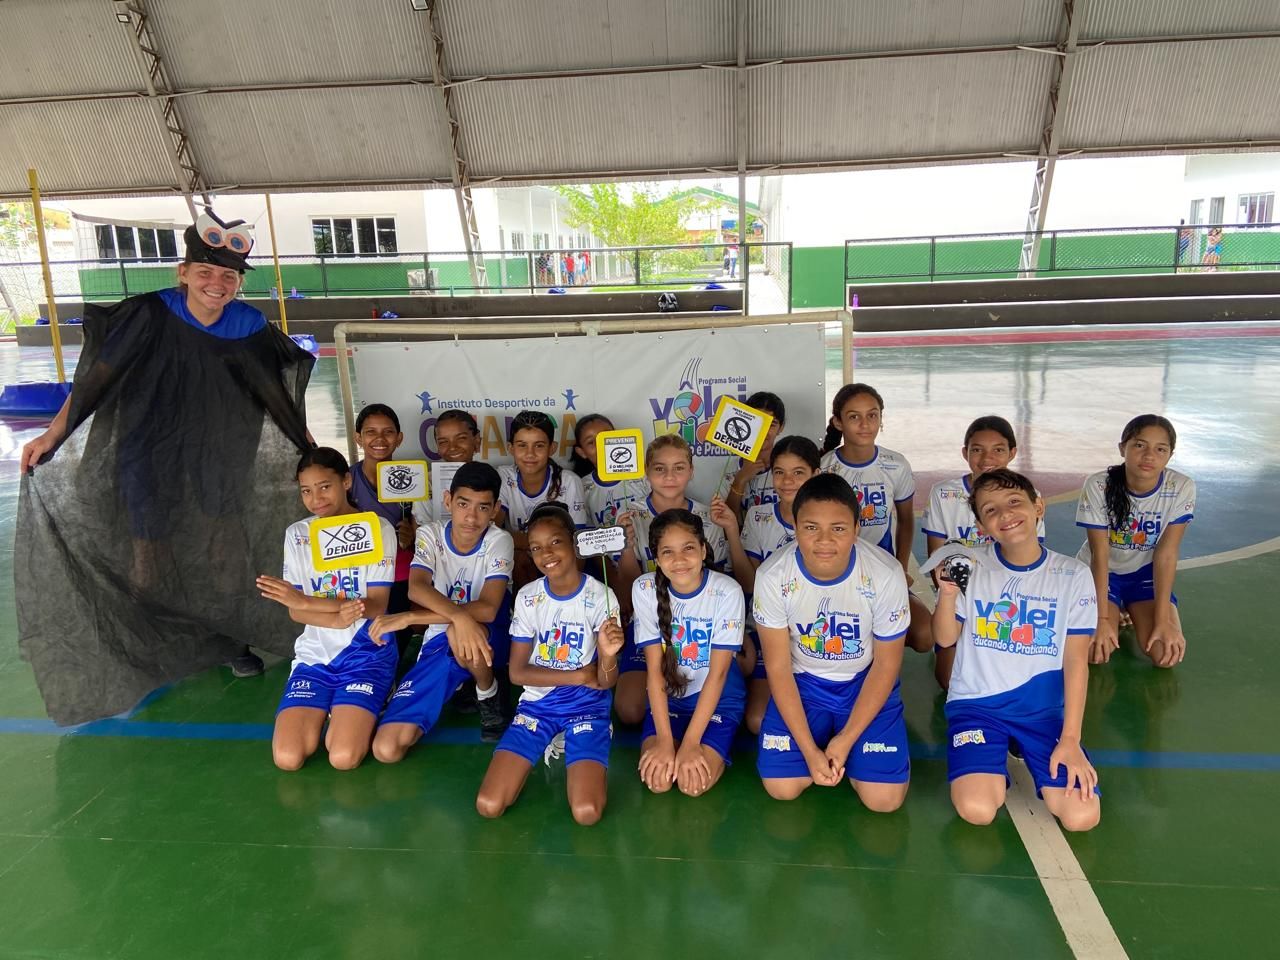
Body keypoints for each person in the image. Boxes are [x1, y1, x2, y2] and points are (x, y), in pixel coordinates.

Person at [16, 211, 313, 724]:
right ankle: (152, 644)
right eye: (205, 272)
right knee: (147, 551)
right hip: (147, 450)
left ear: (239, 282)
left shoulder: (248, 325)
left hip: (220, 451)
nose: (216, 283)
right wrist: (53, 434)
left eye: (228, 276)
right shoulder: (149, 314)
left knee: (224, 546)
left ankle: (230, 637)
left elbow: (274, 395)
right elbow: (94, 381)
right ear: (183, 272)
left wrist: (308, 446)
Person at [931, 469, 1100, 832]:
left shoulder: (1073, 575)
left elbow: (1076, 662)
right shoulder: (971, 566)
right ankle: (988, 755)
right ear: (981, 525)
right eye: (990, 510)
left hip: (1042, 713)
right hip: (976, 706)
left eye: (1014, 502)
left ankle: (1020, 746)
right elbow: (944, 639)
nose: (1005, 514)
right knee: (977, 809)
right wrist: (946, 595)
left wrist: (1071, 739)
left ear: (1038, 506)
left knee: (1082, 817)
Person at [753, 474, 910, 811]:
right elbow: (778, 668)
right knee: (782, 788)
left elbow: (887, 664)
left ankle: (851, 747)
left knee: (883, 801)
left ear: (856, 529)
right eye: (811, 527)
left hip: (862, 682)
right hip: (804, 685)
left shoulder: (885, 574)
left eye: (838, 528)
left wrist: (845, 740)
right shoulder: (772, 576)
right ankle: (824, 743)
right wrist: (810, 752)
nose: (824, 540)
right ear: (795, 527)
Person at [475, 503, 624, 825]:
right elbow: (517, 673)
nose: (547, 554)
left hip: (587, 706)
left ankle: (583, 738)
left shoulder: (601, 596)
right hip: (538, 706)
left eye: (555, 542)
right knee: (489, 805)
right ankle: (551, 737)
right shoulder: (528, 597)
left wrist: (609, 654)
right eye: (536, 548)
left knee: (586, 813)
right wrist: (578, 675)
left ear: (573, 542)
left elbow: (606, 681)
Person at [258, 448, 395, 771]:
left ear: (346, 481)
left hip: (366, 653)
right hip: (315, 657)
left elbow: (377, 604)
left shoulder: (377, 528)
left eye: (324, 487)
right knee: (288, 758)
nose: (315, 499)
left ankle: (373, 697)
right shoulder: (297, 535)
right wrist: (334, 618)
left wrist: (307, 602)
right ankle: (334, 708)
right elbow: (296, 613)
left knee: (343, 757)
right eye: (306, 490)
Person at [369, 462, 513, 758]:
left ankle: (488, 691)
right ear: (447, 500)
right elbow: (416, 588)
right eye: (463, 504)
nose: (471, 517)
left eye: (483, 507)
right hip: (440, 638)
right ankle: (461, 683)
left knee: (458, 631)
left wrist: (411, 617)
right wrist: (459, 616)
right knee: (387, 748)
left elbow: (488, 610)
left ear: (495, 509)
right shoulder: (430, 534)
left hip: (490, 638)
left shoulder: (499, 540)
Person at [920, 415, 1045, 688]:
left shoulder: (1027, 496)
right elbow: (937, 559)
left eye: (998, 449)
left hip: (1005, 601)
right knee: (950, 681)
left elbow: (1029, 563)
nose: (987, 458)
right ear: (965, 452)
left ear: (1012, 452)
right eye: (977, 449)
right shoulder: (944, 494)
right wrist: (953, 604)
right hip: (958, 598)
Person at [615, 434, 728, 725]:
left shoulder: (708, 518)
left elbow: (720, 586)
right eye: (659, 468)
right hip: (649, 623)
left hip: (697, 626)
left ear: (691, 471)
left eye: (679, 467)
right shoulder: (630, 516)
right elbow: (627, 592)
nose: (669, 476)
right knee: (629, 710)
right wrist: (626, 548)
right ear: (646, 471)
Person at [711, 435, 819, 734]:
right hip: (766, 627)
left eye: (799, 472)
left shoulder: (827, 521)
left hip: (814, 629)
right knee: (757, 720)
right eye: (779, 472)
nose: (787, 481)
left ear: (816, 474)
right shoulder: (759, 517)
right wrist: (732, 531)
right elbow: (749, 584)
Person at [633, 510, 746, 797]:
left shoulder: (726, 591)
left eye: (688, 548)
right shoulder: (644, 589)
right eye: (667, 552)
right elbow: (654, 671)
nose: (679, 560)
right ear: (656, 559)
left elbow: (719, 674)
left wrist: (691, 743)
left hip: (718, 699)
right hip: (671, 697)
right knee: (659, 782)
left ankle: (705, 740)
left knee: (692, 785)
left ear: (703, 550)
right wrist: (664, 741)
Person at [820, 383, 932, 656]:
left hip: (882, 573)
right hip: (836, 572)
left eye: (872, 415)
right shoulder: (824, 468)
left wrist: (900, 568)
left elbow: (906, 520)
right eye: (854, 416)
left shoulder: (896, 464)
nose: (865, 424)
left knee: (925, 635)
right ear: (838, 422)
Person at [1075, 415, 1194, 668]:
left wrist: (1162, 621)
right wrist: (1101, 619)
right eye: (1140, 445)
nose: (1149, 456)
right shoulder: (1099, 485)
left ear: (1170, 455)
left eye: (1160, 449)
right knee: (1095, 652)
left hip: (1143, 575)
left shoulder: (1180, 486)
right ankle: (1114, 608)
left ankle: (1132, 607)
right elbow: (1099, 554)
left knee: (1165, 655)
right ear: (1123, 448)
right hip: (1103, 573)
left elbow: (1166, 555)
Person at [349, 404, 417, 665]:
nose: (380, 439)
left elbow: (426, 524)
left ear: (399, 438)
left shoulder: (412, 478)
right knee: (363, 636)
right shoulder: (346, 480)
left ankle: (391, 666)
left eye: (388, 432)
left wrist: (413, 533)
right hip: (359, 570)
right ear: (358, 438)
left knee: (394, 636)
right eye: (371, 432)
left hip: (400, 567)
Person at [497, 410, 589, 589]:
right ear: (511, 448)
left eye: (539, 445)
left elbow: (579, 544)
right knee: (519, 557)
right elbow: (492, 534)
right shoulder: (503, 477)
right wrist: (543, 543)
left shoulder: (569, 481)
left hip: (559, 559)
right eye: (522, 445)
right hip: (521, 562)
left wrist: (571, 586)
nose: (530, 454)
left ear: (552, 448)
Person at [413, 408, 482, 527]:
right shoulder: (425, 483)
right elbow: (421, 530)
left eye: (461, 438)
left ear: (476, 441)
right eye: (443, 442)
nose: (453, 447)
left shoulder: (490, 478)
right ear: (437, 446)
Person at [725, 390, 786, 523]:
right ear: (745, 423)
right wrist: (740, 480)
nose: (763, 431)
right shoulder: (731, 468)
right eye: (757, 423)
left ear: (781, 427)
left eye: (771, 424)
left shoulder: (788, 467)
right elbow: (725, 522)